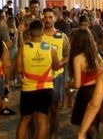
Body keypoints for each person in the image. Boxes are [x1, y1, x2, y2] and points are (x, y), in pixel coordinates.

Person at [16, 19, 59, 139]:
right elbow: (56, 66)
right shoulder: (51, 48)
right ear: (42, 32)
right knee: (42, 120)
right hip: (46, 88)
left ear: (29, 32)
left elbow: (18, 69)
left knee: (24, 120)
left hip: (28, 89)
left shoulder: (23, 48)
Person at [69, 28, 103, 139]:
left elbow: (77, 84)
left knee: (86, 126)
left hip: (85, 94)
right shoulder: (96, 56)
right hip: (98, 91)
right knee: (95, 124)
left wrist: (69, 84)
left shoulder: (78, 58)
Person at [42, 8, 70, 139]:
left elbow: (67, 55)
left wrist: (60, 63)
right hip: (41, 77)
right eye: (45, 17)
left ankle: (54, 133)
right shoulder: (38, 36)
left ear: (54, 18)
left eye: (50, 17)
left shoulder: (62, 36)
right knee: (42, 109)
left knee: (55, 108)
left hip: (56, 76)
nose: (47, 20)